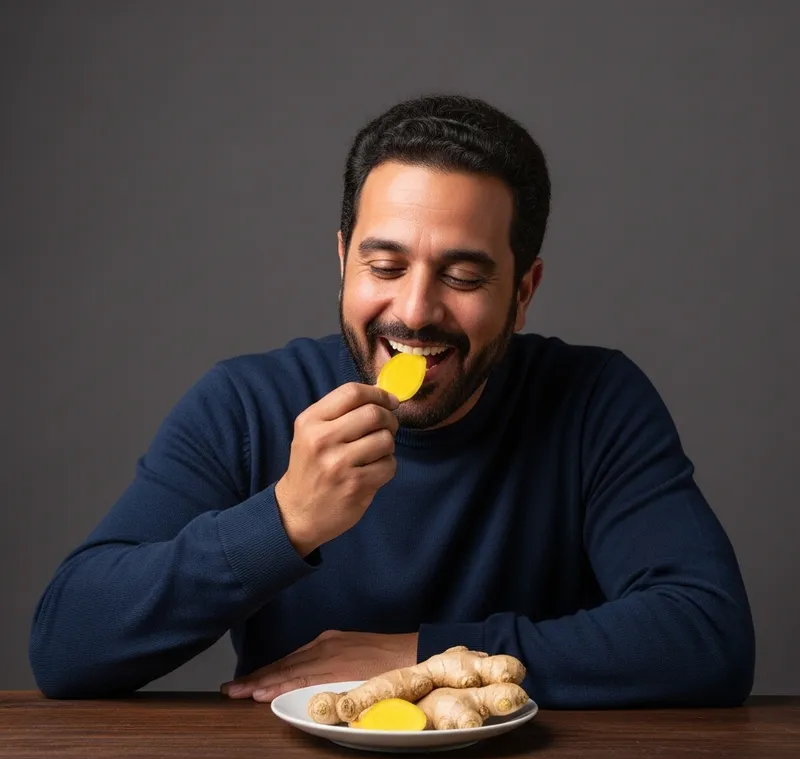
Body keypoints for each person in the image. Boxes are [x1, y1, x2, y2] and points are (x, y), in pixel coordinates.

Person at [29, 95, 755, 708]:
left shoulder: (597, 402)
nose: (415, 310)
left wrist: (426, 658)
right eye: (385, 265)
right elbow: (66, 645)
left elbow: (709, 633)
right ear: (343, 260)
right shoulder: (245, 404)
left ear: (523, 292)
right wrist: (284, 520)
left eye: (463, 276)